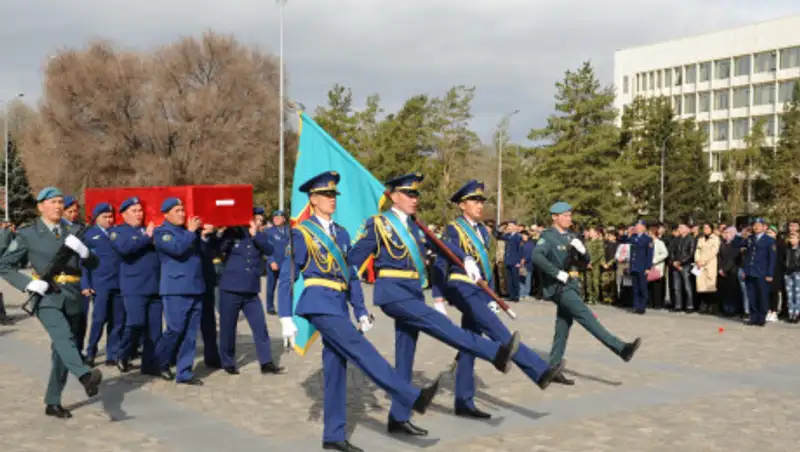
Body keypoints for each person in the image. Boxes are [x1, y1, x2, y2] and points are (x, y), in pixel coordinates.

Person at [348, 173, 520, 437]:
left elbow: (442, 246)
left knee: (405, 357)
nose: (414, 199)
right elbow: (353, 261)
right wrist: (355, 303)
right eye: (409, 194)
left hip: (414, 292)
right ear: (393, 196)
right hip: (392, 293)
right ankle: (495, 353)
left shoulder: (416, 226)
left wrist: (466, 259)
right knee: (443, 326)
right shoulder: (379, 224)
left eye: (416, 194)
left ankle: (398, 416)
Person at [279, 171, 439, 452]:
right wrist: (285, 318)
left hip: (338, 304)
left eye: (333, 195)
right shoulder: (301, 232)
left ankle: (333, 435)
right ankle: (411, 395)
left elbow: (350, 275)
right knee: (361, 349)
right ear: (313, 199)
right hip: (318, 301)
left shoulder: (340, 233)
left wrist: (361, 310)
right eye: (326, 195)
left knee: (336, 369)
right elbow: (287, 276)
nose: (332, 200)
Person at [435, 180, 561, 419]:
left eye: (482, 201)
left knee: (469, 343)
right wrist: (438, 296)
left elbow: (486, 266)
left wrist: (492, 295)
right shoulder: (454, 228)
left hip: (479, 289)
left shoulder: (483, 230)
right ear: (462, 205)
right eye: (474, 201)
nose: (480, 205)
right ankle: (540, 371)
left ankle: (463, 400)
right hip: (461, 286)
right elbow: (443, 258)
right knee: (499, 332)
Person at [0, 187, 103, 418]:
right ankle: (85, 375)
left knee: (63, 349)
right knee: (62, 336)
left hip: (73, 293)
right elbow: (5, 265)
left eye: (60, 202)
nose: (58, 206)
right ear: (41, 207)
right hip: (46, 294)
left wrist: (85, 253)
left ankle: (53, 400)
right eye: (52, 202)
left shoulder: (75, 230)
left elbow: (95, 263)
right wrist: (28, 284)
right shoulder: (29, 233)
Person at [531, 201, 641, 385]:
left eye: (569, 215)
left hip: (572, 284)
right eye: (564, 215)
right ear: (554, 217)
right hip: (560, 287)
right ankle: (621, 348)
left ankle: (552, 367)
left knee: (563, 326)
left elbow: (586, 260)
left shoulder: (571, 236)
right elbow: (537, 257)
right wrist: (556, 273)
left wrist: (583, 251)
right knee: (587, 317)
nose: (569, 218)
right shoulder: (548, 236)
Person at [152, 197, 216, 385]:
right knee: (175, 329)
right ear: (167, 214)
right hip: (175, 289)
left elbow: (201, 254)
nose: (182, 213)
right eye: (177, 210)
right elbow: (178, 250)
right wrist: (191, 232)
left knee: (190, 333)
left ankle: (184, 372)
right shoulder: (162, 232)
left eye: (182, 210)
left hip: (195, 286)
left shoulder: (189, 232)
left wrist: (203, 237)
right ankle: (160, 361)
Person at [217, 209, 283, 375]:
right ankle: (228, 361)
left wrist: (255, 235)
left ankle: (266, 361)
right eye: (256, 219)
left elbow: (269, 250)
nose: (259, 222)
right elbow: (220, 249)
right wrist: (225, 231)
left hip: (251, 290)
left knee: (260, 327)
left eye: (261, 219)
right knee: (228, 328)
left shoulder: (261, 236)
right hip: (230, 289)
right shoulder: (234, 232)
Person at [110, 197, 164, 375]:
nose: (139, 214)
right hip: (134, 286)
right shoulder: (119, 232)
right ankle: (123, 353)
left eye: (140, 210)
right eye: (134, 211)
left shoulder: (150, 229)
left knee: (155, 328)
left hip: (154, 285)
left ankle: (150, 365)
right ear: (124, 215)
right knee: (136, 323)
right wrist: (146, 237)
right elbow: (126, 249)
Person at [81, 203, 125, 367]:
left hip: (118, 282)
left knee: (117, 321)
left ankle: (112, 353)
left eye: (111, 216)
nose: (109, 220)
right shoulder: (89, 235)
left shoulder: (117, 233)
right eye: (105, 217)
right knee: (99, 319)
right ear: (96, 218)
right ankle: (91, 351)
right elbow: (83, 263)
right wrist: (85, 284)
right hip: (100, 284)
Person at [742, 218, 776, 327]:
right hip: (750, 271)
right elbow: (746, 255)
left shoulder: (769, 240)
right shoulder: (750, 239)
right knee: (751, 295)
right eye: (754, 225)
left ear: (764, 227)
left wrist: (770, 274)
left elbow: (772, 259)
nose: (756, 227)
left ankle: (761, 318)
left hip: (762, 272)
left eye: (758, 225)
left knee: (762, 295)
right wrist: (745, 270)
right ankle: (753, 317)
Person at [265, 210, 289, 315]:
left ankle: (284, 307)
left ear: (284, 219)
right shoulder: (269, 231)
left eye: (279, 218)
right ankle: (270, 307)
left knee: (285, 287)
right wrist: (271, 261)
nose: (276, 220)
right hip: (273, 262)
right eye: (275, 218)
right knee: (271, 286)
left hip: (286, 263)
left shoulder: (289, 231)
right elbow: (266, 248)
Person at [628, 220, 653, 314]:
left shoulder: (647, 239)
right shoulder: (633, 237)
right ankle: (635, 306)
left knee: (643, 288)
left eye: (638, 226)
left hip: (642, 266)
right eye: (636, 226)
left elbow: (649, 254)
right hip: (634, 266)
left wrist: (648, 267)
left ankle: (642, 307)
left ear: (643, 227)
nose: (636, 228)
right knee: (635, 288)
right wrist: (629, 233)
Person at [694, 224, 721, 314]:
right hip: (700, 265)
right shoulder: (701, 238)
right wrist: (697, 260)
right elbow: (697, 250)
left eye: (707, 228)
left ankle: (711, 307)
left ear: (711, 229)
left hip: (710, 264)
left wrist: (704, 261)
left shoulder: (715, 239)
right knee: (701, 286)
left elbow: (714, 252)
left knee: (710, 286)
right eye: (704, 228)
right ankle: (703, 306)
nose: (705, 229)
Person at [496, 220, 523, 302]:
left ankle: (516, 296)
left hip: (515, 261)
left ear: (515, 227)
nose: (509, 227)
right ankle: (511, 295)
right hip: (508, 260)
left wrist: (519, 261)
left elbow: (520, 250)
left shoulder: (518, 237)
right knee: (509, 279)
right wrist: (500, 229)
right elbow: (499, 236)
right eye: (508, 226)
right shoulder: (508, 235)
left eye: (511, 226)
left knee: (515, 279)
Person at [718, 227, 742, 317]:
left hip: (732, 270)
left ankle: (732, 309)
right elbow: (719, 257)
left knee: (732, 291)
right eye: (725, 233)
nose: (725, 235)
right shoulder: (723, 244)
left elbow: (733, 259)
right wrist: (720, 268)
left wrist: (725, 269)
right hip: (722, 270)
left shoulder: (735, 244)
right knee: (725, 291)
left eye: (727, 233)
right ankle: (725, 309)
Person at [784, 232, 800, 323]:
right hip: (788, 273)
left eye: (794, 238)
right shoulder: (787, 249)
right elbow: (784, 260)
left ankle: (797, 314)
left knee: (798, 294)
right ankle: (791, 313)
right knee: (790, 294)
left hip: (798, 272)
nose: (792, 240)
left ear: (798, 239)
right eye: (790, 238)